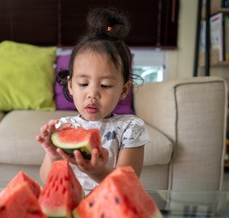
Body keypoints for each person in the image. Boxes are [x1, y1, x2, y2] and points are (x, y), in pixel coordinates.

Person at [36, 7, 150, 191]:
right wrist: (53, 156)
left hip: (110, 203)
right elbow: (48, 180)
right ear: (71, 85)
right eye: (83, 84)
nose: (92, 94)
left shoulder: (131, 128)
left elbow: (128, 182)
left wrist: (97, 171)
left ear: (124, 90)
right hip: (71, 203)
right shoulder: (64, 127)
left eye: (105, 85)